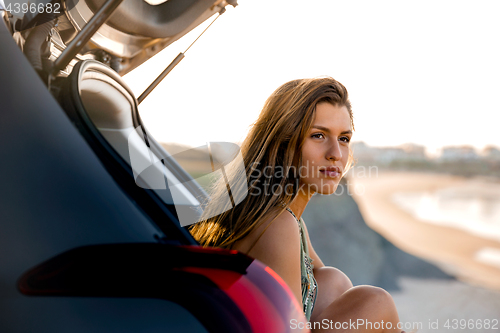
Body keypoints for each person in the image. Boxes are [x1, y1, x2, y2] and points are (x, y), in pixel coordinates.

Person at [189, 77, 409, 332]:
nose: (336, 154)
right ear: (283, 143)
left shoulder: (286, 218)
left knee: (332, 280)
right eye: (318, 135)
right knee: (376, 302)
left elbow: (324, 281)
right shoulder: (276, 225)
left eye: (344, 138)